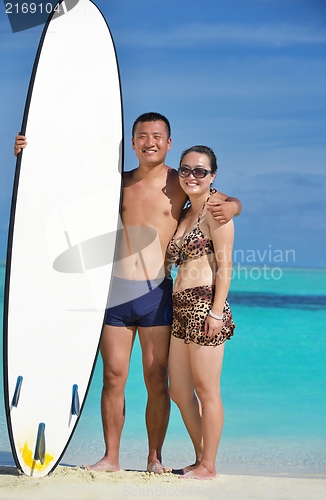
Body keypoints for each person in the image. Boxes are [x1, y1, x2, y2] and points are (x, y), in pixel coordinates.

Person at [14, 113, 241, 473]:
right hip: (115, 293)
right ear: (132, 143)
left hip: (157, 294)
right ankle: (111, 457)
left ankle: (155, 459)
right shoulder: (114, 183)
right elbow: (63, 183)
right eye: (142, 136)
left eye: (157, 136)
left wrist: (233, 206)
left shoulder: (180, 182)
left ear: (169, 142)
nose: (149, 141)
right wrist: (30, 153)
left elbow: (218, 199)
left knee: (157, 379)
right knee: (113, 377)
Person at [167, 145, 235, 479]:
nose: (191, 176)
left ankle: (209, 465)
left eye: (200, 171)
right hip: (179, 306)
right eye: (185, 169)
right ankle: (200, 458)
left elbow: (226, 266)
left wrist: (217, 312)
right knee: (178, 390)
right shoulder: (185, 212)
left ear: (213, 176)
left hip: (205, 305)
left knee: (207, 389)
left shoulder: (217, 210)